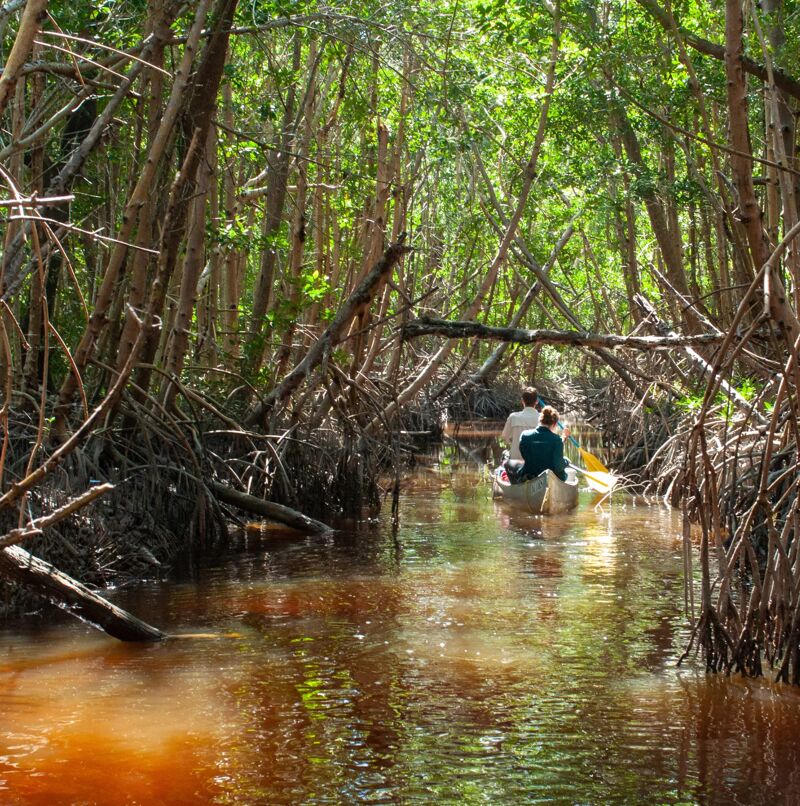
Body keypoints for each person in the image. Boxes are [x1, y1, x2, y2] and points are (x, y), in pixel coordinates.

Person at [518, 405, 572, 481]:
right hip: (550, 479)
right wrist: (566, 462)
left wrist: (564, 438)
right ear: (555, 424)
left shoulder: (524, 435)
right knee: (564, 468)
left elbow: (526, 454)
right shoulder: (556, 440)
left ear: (540, 420)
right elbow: (558, 466)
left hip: (530, 475)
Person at [501, 387, 540, 461]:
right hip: (535, 461)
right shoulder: (542, 419)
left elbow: (505, 437)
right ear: (537, 401)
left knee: (504, 453)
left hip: (515, 460)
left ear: (522, 401)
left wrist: (513, 440)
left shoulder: (513, 417)